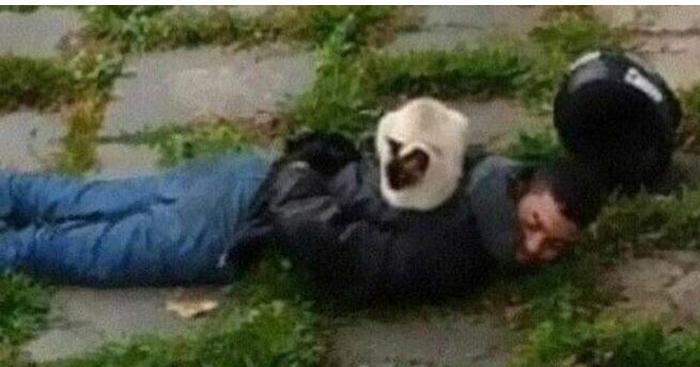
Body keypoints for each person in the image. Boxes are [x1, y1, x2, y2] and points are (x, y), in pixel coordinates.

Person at [0, 133, 603, 303]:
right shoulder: (456, 251)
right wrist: (294, 190)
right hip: (235, 222)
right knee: (71, 247)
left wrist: (300, 167)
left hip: (245, 173)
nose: (533, 249)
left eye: (553, 247)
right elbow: (340, 253)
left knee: (84, 200)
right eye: (532, 224)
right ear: (522, 187)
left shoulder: (473, 164)